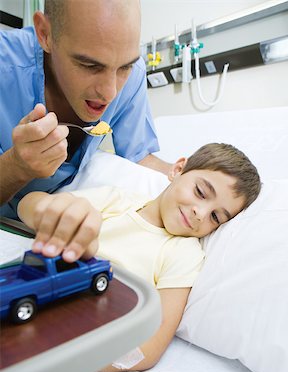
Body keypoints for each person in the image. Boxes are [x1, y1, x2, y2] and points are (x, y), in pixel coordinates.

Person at [18, 143, 261, 372]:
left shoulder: (184, 253)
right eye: (200, 192)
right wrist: (44, 211)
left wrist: (66, 360)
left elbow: (152, 344)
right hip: (34, 288)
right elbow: (31, 205)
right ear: (178, 170)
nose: (201, 213)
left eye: (216, 217)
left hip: (72, 335)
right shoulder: (117, 201)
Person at [0, 0, 170, 219]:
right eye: (91, 66)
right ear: (44, 34)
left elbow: (138, 157)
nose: (110, 93)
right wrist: (16, 166)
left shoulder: (134, 75)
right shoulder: (5, 66)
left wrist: (189, 176)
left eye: (124, 67)